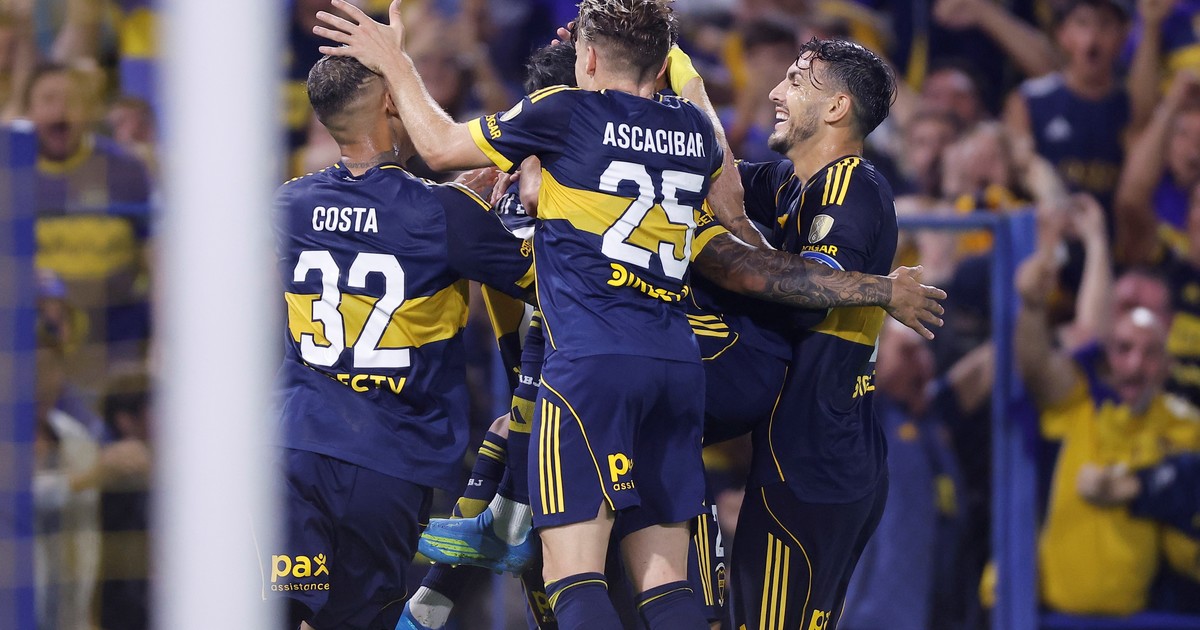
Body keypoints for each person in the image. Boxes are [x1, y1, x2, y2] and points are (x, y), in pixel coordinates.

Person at [314, 4, 945, 628]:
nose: (776, 91)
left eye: (796, 80)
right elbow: (720, 176)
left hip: (660, 395)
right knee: (668, 589)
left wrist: (396, 63)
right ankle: (482, 539)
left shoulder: (563, 126)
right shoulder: (695, 140)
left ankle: (479, 545)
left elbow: (439, 148)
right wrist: (675, 71)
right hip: (681, 375)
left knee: (573, 578)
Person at [266, 53, 536, 630]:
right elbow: (548, 281)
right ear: (393, 102)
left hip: (294, 448)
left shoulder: (289, 204)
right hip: (388, 460)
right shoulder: (445, 213)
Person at [1015, 232, 1200, 615]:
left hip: (1149, 617)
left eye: (1151, 353)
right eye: (1124, 349)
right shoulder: (1078, 402)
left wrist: (1137, 487)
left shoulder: (1184, 427)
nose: (1135, 365)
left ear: (1168, 366)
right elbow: (1035, 369)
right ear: (1107, 356)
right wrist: (1032, 306)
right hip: (1052, 616)